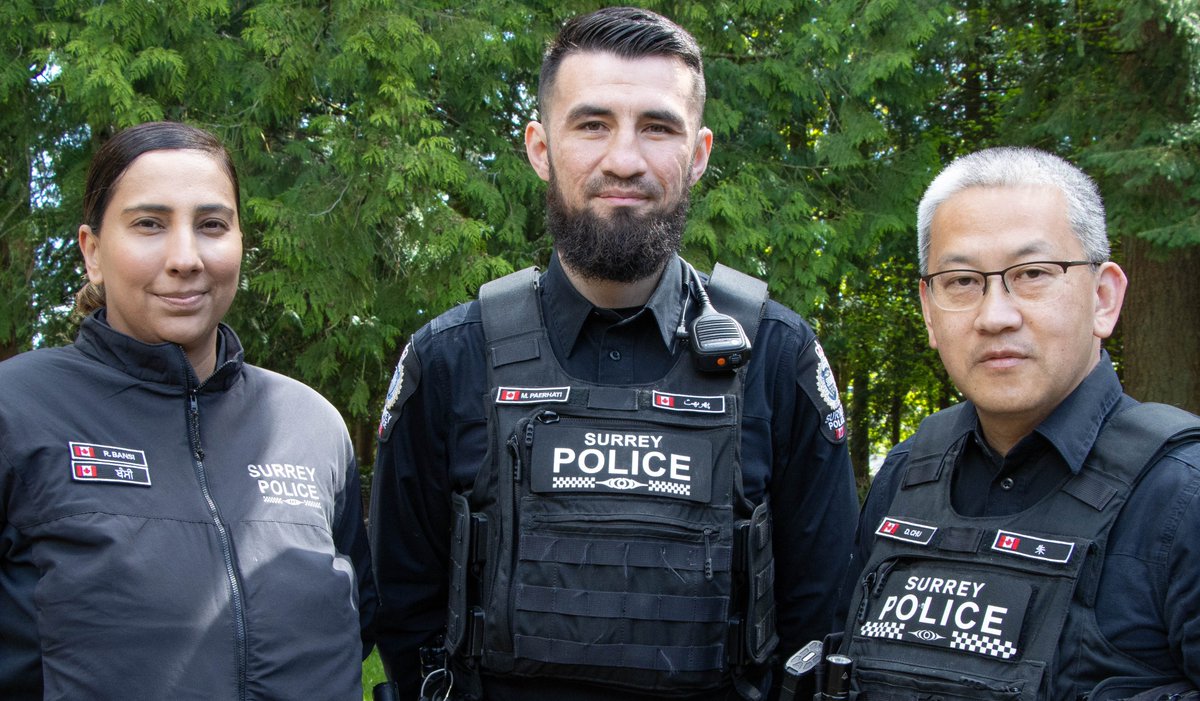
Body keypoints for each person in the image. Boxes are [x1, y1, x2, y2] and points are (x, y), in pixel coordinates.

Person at [370, 7, 857, 701]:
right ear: (541, 147)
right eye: (592, 124)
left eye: (657, 127)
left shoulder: (777, 359)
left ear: (699, 153)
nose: (624, 159)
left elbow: (822, 625)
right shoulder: (452, 360)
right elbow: (404, 611)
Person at [0, 121, 376, 700]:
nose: (186, 257)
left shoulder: (312, 426)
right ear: (93, 251)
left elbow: (361, 625)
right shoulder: (16, 409)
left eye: (212, 226)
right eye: (149, 224)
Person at [837, 147, 1200, 699]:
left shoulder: (1182, 496)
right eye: (961, 281)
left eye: (1032, 274)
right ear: (930, 311)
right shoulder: (907, 476)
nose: (995, 316)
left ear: (1104, 298)